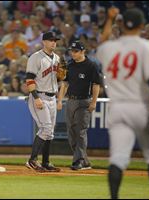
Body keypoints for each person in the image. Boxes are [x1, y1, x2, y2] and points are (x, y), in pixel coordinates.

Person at [96, 8, 149, 199]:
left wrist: (109, 19)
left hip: (118, 108)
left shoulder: (108, 49)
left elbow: (101, 43)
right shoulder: (146, 46)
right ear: (141, 25)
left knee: (118, 157)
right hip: (142, 106)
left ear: (120, 25)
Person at [57, 40, 101, 170]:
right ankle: (84, 160)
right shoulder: (69, 65)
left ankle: (79, 160)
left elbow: (96, 85)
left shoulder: (91, 66)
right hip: (71, 100)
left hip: (84, 101)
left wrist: (94, 101)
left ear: (83, 51)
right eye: (72, 51)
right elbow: (64, 84)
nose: (73, 53)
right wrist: (59, 100)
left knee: (80, 131)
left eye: (76, 51)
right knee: (70, 131)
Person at [25, 31, 61, 172]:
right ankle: (32, 160)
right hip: (39, 96)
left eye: (55, 40)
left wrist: (61, 76)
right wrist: (36, 97)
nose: (53, 42)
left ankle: (46, 162)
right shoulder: (36, 57)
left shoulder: (57, 58)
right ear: (44, 42)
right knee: (45, 129)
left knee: (50, 132)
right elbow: (29, 79)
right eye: (51, 40)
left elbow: (58, 79)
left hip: (52, 97)